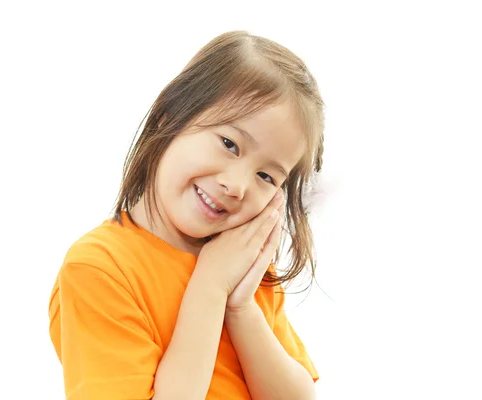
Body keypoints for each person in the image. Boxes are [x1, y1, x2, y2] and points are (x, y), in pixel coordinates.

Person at [48, 30, 325, 400]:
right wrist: (210, 286)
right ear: (169, 116)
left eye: (266, 176)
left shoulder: (242, 260)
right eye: (229, 144)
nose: (238, 186)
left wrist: (240, 309)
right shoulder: (101, 268)